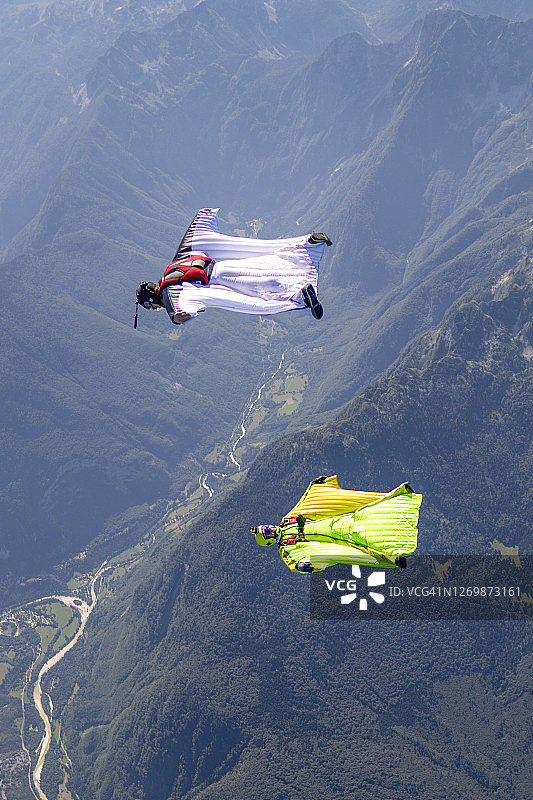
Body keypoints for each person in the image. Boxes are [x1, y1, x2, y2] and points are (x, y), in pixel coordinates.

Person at [135, 208, 331, 326]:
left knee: (261, 291)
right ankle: (307, 246)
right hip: (222, 267)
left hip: (220, 278)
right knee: (266, 266)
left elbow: (175, 313)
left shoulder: (170, 291)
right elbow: (197, 227)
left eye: (152, 305)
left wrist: (176, 317)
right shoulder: (176, 262)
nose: (156, 307)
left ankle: (300, 296)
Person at [251, 476, 422, 573]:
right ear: (268, 540)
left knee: (363, 517)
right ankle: (395, 556)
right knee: (362, 543)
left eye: (267, 527)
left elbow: (304, 503)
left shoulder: (287, 520)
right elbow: (291, 563)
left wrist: (315, 486)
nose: (271, 529)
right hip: (335, 541)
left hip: (335, 522)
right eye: (267, 532)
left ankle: (399, 498)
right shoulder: (285, 548)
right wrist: (299, 566)